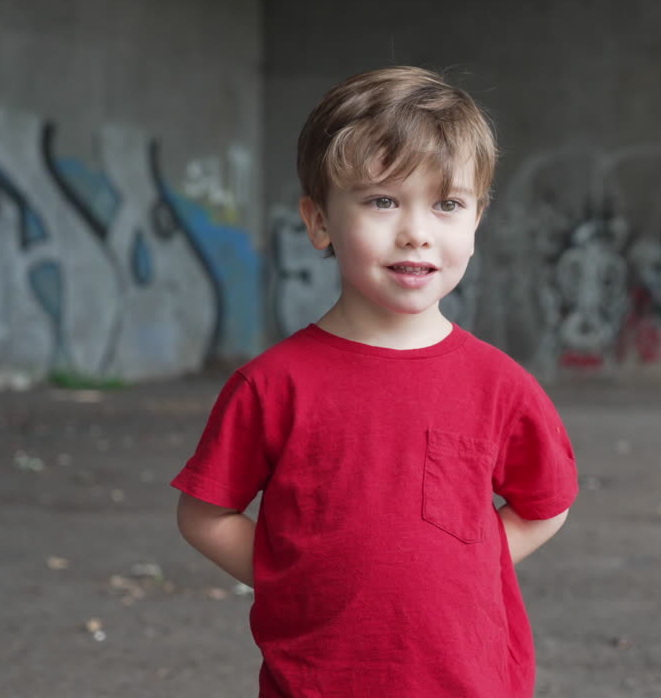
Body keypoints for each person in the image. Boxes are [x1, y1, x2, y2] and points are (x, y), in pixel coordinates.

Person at [172, 66, 578, 697]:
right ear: (319, 222)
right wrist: (296, 575)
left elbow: (545, 504)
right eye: (382, 201)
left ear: (476, 221)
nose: (416, 230)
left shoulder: (500, 385)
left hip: (467, 682)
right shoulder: (273, 385)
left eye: (447, 204)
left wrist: (467, 565)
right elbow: (206, 515)